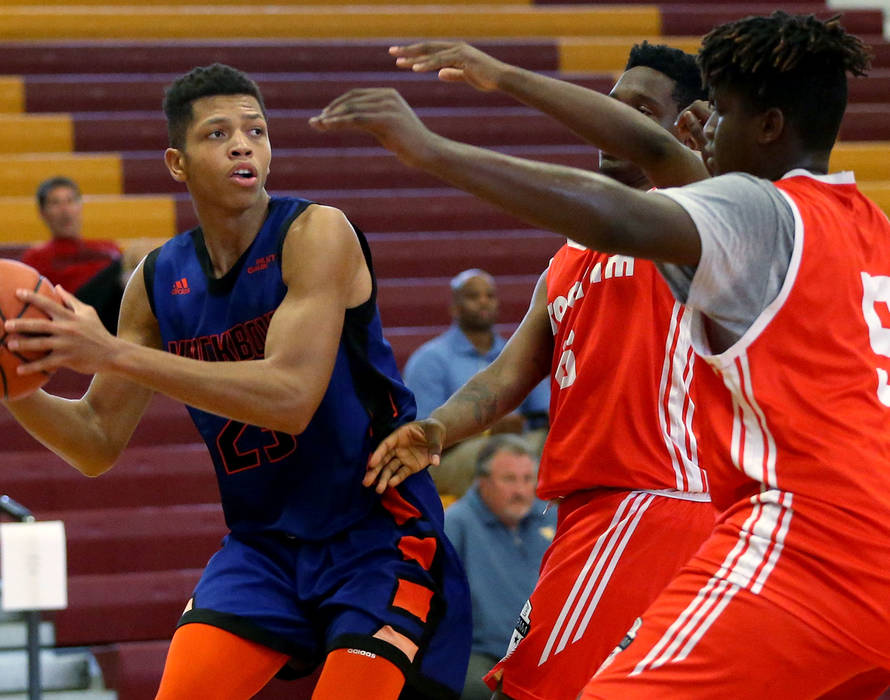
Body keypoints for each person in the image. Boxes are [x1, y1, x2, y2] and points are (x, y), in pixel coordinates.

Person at [312, 12, 890, 697]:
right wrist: (439, 426)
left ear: (751, 123)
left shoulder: (733, 212)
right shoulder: (865, 231)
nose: (707, 130)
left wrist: (436, 146)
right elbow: (514, 370)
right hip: (752, 527)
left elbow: (621, 195)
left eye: (719, 115)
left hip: (675, 508)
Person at [1, 63, 470, 699]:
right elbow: (94, 439)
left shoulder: (316, 232)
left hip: (376, 532)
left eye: (256, 130)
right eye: (218, 134)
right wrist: (8, 384)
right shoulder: (156, 280)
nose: (243, 144)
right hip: (265, 546)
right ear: (177, 162)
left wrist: (114, 353)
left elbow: (291, 398)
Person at [314, 40, 718, 700]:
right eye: (607, 105)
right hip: (594, 509)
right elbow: (505, 377)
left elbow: (670, 175)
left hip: (653, 501)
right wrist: (437, 428)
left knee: (528, 689)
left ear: (684, 124)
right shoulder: (568, 256)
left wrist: (487, 89)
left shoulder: (700, 214)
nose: (607, 121)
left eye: (637, 110)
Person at [404, 268, 550, 498]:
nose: (483, 301)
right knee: (494, 453)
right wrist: (487, 432)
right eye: (473, 296)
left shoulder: (514, 352)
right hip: (452, 457)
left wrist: (523, 426)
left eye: (490, 296)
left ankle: (544, 526)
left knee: (551, 446)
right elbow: (422, 437)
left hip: (519, 444)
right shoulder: (429, 359)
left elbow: (545, 416)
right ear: (454, 307)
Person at [443, 435, 556, 700]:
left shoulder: (550, 517)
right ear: (481, 482)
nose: (520, 490)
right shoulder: (456, 523)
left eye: (527, 479)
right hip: (481, 653)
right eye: (509, 479)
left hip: (545, 652)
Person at [21, 176, 125, 333]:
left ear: (80, 206)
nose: (65, 210)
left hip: (113, 316)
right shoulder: (35, 257)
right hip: (71, 315)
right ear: (43, 213)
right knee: (131, 258)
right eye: (55, 203)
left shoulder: (108, 247)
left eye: (70, 201)